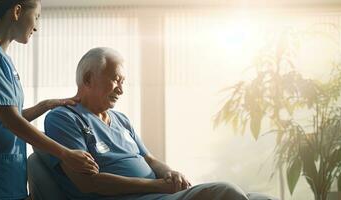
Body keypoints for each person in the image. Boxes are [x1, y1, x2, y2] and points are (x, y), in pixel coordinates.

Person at [43, 47, 265, 200]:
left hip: (159, 193)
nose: (121, 90)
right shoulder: (63, 118)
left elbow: (149, 159)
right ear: (89, 79)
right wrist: (157, 186)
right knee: (225, 192)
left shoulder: (121, 119)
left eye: (123, 82)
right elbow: (87, 183)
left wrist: (170, 173)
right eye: (115, 80)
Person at [0, 0, 99, 199]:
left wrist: (46, 105)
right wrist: (66, 154)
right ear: (17, 11)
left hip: (7, 176)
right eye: (37, 17)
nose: (36, 26)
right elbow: (11, 121)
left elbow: (3, 119)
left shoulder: (2, 58)